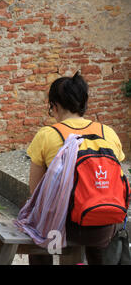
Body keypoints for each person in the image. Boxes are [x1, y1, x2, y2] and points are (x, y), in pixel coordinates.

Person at [26, 72, 127, 265]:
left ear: (53, 106)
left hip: (62, 229)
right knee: (100, 238)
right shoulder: (108, 133)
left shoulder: (48, 134)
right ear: (84, 103)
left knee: (36, 228)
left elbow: (35, 191)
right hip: (103, 226)